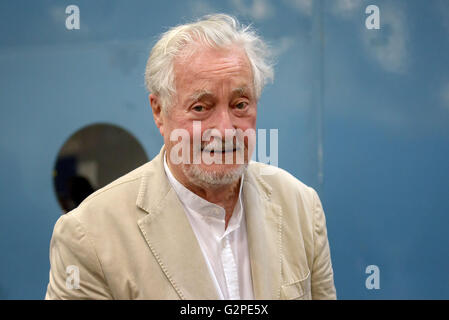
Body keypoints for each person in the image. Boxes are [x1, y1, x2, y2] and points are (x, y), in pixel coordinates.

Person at [45, 14, 336, 300]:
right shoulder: (90, 235)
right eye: (201, 107)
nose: (225, 130)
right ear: (159, 111)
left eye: (240, 104)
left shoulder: (301, 208)